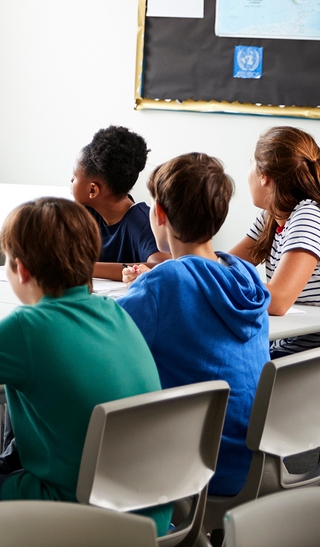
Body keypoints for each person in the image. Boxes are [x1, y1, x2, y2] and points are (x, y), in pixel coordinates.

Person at [0, 197, 171, 535]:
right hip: (147, 511)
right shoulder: (114, 310)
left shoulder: (28, 326)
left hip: (75, 514)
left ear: (21, 268)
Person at [118, 153, 270, 496]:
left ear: (158, 214)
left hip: (188, 467)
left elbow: (98, 339)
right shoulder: (246, 276)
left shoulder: (166, 283)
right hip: (248, 462)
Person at [228, 126, 320, 407]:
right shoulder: (273, 215)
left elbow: (280, 300)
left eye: (251, 163)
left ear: (264, 177)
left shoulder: (311, 214)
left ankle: (253, 451)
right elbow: (226, 265)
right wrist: (178, 267)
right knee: (220, 367)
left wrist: (213, 283)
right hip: (309, 351)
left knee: (228, 380)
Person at [71, 125, 168, 281]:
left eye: (74, 176)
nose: (71, 181)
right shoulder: (86, 212)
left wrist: (87, 268)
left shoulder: (142, 222)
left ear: (93, 191)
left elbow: (163, 265)